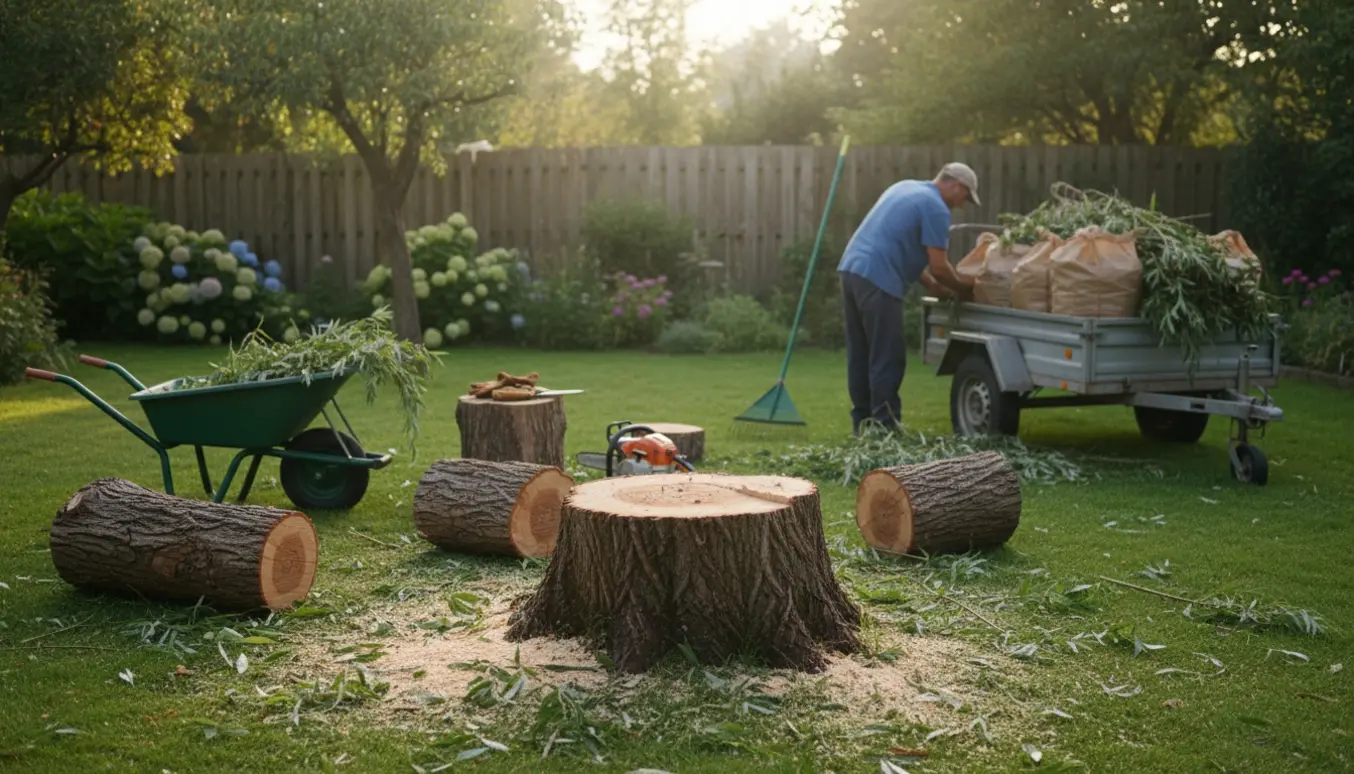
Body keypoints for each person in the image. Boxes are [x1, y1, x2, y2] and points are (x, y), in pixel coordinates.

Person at [836, 162, 981, 434]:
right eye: (965, 196)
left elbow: (898, 244)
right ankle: (885, 426)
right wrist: (965, 288)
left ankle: (862, 424)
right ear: (956, 186)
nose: (962, 204)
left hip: (851, 270)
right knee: (887, 356)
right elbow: (940, 265)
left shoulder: (905, 187)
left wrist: (930, 284)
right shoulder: (936, 207)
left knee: (861, 354)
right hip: (879, 278)